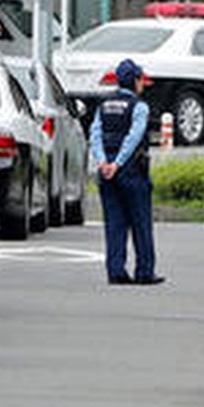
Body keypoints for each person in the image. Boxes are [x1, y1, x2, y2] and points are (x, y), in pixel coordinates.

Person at [89, 58, 163, 286]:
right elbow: (134, 136)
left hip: (107, 173)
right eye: (141, 79)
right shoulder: (139, 107)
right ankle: (144, 272)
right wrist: (118, 163)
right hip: (131, 172)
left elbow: (95, 135)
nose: (143, 84)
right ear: (135, 81)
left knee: (114, 223)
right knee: (141, 222)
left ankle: (116, 271)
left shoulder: (104, 106)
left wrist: (103, 162)